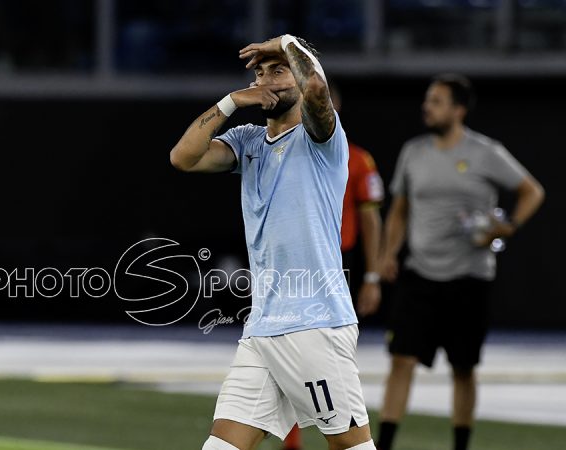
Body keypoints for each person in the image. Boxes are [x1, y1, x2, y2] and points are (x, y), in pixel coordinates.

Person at [170, 34, 376, 450]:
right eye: (260, 73)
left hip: (315, 323)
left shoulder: (324, 139)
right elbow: (183, 157)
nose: (266, 81)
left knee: (351, 446)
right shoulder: (247, 141)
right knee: (222, 445)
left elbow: (317, 89)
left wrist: (287, 43)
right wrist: (233, 101)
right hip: (262, 327)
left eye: (278, 71)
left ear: (300, 78)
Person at [375, 74, 545, 450]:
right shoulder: (413, 152)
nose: (427, 107)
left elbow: (532, 191)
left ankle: (461, 444)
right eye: (427, 100)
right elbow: (400, 210)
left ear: (458, 109)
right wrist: (388, 254)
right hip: (420, 273)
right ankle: (383, 444)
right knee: (401, 359)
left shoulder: (486, 152)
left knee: (463, 368)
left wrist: (508, 227)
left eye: (436, 101)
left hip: (470, 276)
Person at [283, 84, 385, 450]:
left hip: (337, 262)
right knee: (288, 345)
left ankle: (347, 437)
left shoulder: (357, 160)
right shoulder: (283, 154)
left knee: (328, 353)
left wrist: (373, 275)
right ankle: (296, 439)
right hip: (294, 264)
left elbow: (371, 220)